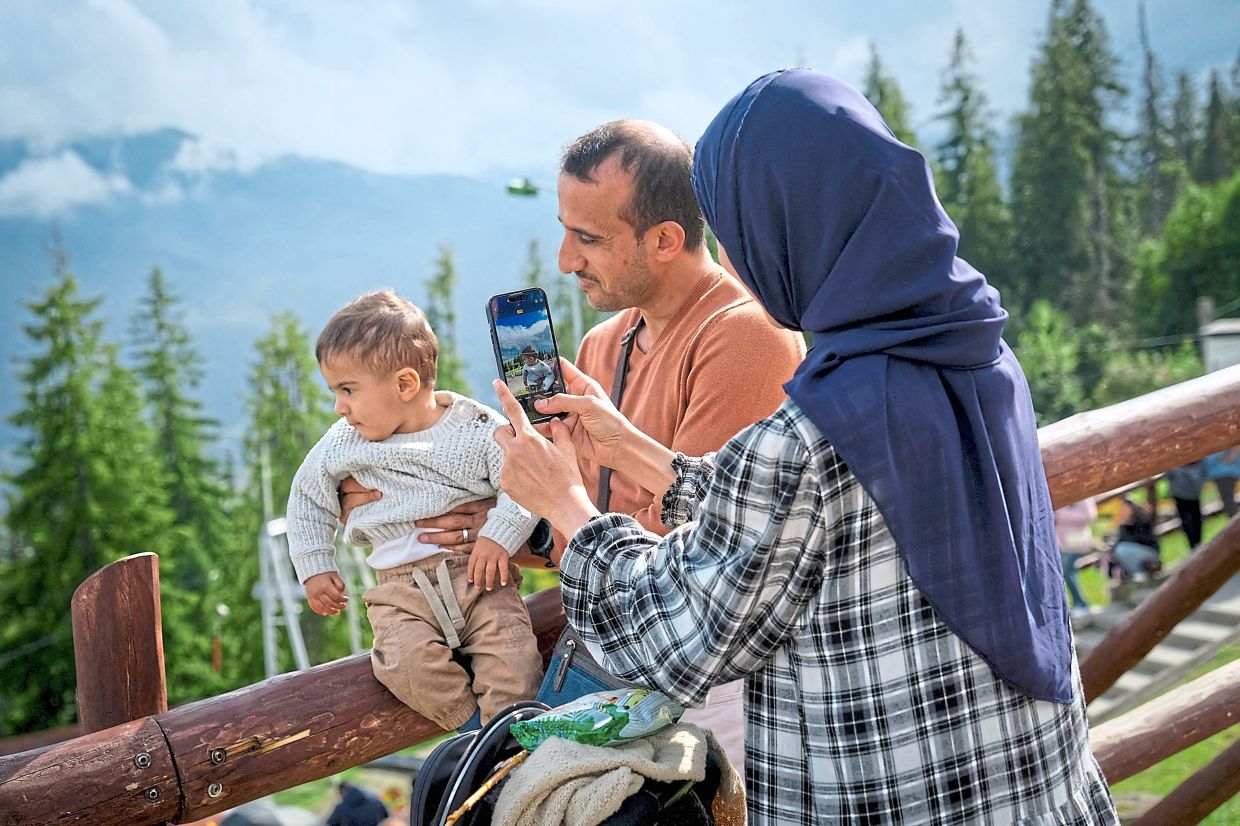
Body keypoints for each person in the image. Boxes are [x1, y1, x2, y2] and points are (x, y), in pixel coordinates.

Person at [492, 70, 1117, 823]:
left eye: (740, 227)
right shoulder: (975, 355)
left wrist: (563, 503)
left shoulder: (810, 434)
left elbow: (674, 638)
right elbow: (819, 519)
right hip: (1034, 785)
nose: (738, 257)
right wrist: (640, 454)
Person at [342, 119, 806, 770]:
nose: (566, 260)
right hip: (602, 684)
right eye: (564, 230)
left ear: (667, 240)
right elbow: (583, 533)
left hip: (696, 713)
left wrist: (555, 503)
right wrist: (503, 526)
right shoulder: (601, 345)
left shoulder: (747, 340)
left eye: (587, 238)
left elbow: (701, 556)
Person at [286, 290, 541, 731]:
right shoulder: (343, 443)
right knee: (403, 664)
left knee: (514, 659)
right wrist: (314, 565)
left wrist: (499, 534)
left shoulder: (477, 432)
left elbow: (526, 484)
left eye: (348, 390)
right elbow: (307, 498)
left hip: (480, 578)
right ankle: (471, 733)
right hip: (400, 590)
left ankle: (508, 737)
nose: (339, 407)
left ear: (405, 385)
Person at [1055, 499, 1098, 619]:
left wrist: (1063, 515)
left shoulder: (1084, 499)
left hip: (1078, 542)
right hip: (1062, 543)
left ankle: (1082, 604)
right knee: (1065, 573)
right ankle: (1077, 603)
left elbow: (1090, 516)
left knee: (1068, 571)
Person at [1110, 496, 1161, 581]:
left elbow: (1146, 541)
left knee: (1121, 549)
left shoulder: (1142, 522)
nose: (1123, 512)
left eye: (1125, 509)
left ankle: (1138, 574)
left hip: (1150, 552)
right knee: (1119, 551)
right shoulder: (1123, 527)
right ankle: (1134, 575)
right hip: (1134, 554)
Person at [1165, 462, 1204, 549]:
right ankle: (1195, 544)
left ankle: (1196, 543)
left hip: (1189, 494)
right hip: (1184, 495)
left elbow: (1167, 475)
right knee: (1191, 520)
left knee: (1193, 520)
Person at [1203, 447, 1240, 519]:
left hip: (1225, 472)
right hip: (1220, 472)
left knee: (1228, 500)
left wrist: (1230, 455)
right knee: (1227, 499)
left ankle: (1235, 523)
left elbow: (1235, 447)